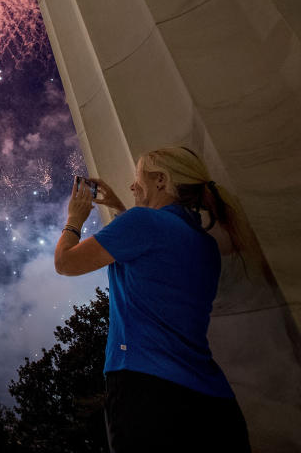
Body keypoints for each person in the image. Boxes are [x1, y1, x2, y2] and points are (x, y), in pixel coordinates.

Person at [53, 146, 251, 452]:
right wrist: (121, 208)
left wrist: (74, 219)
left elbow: (65, 263)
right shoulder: (205, 244)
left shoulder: (143, 223)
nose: (132, 186)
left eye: (138, 177)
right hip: (215, 405)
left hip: (150, 397)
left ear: (161, 180)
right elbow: (149, 259)